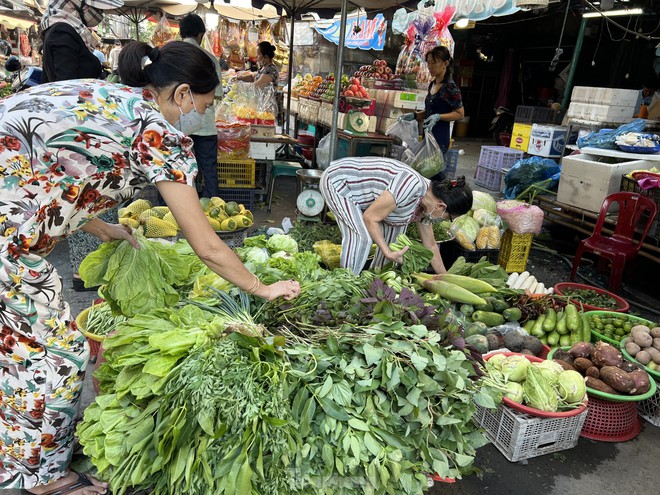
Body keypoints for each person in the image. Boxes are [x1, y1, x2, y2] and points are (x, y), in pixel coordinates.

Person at [0, 40, 300, 495]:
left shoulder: (106, 95)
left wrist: (101, 229)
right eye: (203, 103)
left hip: (11, 213)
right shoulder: (157, 132)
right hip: (9, 235)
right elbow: (207, 246)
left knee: (19, 348)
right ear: (181, 93)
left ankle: (21, 448)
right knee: (56, 356)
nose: (198, 114)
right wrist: (262, 288)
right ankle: (46, 480)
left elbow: (60, 166)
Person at [320, 157, 472, 275]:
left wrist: (445, 278)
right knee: (362, 237)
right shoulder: (410, 186)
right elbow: (370, 218)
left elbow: (431, 245)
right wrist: (387, 251)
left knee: (394, 240)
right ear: (441, 206)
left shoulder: (427, 207)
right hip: (340, 183)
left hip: (366, 199)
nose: (443, 220)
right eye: (448, 217)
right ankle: (346, 283)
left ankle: (374, 281)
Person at [400, 45, 464, 180]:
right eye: (428, 62)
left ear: (445, 64)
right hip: (427, 136)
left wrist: (438, 117)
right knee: (423, 172)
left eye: (434, 62)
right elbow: (430, 111)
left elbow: (459, 113)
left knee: (433, 174)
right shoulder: (432, 84)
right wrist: (415, 115)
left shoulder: (451, 88)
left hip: (440, 138)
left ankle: (437, 198)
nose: (430, 66)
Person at [180, 13, 223, 199]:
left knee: (177, 167)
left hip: (177, 124)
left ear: (181, 33)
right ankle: (212, 205)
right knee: (208, 169)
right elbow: (218, 93)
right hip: (204, 125)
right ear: (200, 35)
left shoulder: (171, 55)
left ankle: (171, 207)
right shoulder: (210, 59)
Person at [40, 0, 122, 83]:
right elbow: (66, 83)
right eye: (94, 8)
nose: (99, 13)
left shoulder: (59, 29)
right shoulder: (62, 32)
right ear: (76, 5)